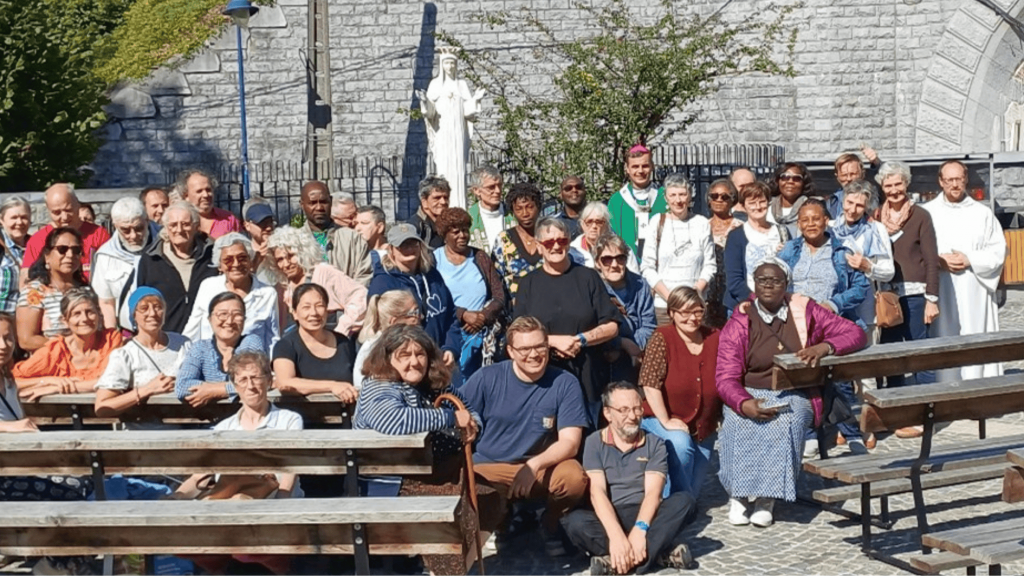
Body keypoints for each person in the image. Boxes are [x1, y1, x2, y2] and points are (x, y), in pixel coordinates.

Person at [716, 258, 865, 527]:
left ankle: (767, 499)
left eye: (775, 280)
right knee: (737, 422)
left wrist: (825, 347)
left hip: (796, 390)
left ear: (786, 284)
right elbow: (726, 377)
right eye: (762, 280)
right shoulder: (740, 321)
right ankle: (738, 495)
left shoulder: (806, 311)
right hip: (748, 389)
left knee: (786, 421)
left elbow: (855, 332)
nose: (768, 285)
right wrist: (744, 402)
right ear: (754, 283)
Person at [461, 316, 590, 556]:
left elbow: (570, 442)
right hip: (491, 465)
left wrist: (534, 465)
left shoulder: (564, 382)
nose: (533, 355)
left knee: (574, 479)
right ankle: (501, 523)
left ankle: (550, 524)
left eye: (540, 346)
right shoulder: (487, 377)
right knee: (468, 483)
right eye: (524, 349)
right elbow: (457, 410)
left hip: (541, 466)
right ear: (510, 351)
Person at [173, 350, 303, 576]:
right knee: (187, 534)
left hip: (271, 498)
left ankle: (280, 569)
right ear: (234, 385)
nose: (250, 386)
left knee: (236, 513)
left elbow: (290, 470)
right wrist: (176, 497)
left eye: (256, 378)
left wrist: (281, 505)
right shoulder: (223, 428)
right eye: (243, 380)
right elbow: (200, 476)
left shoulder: (289, 420)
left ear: (268, 381)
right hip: (229, 505)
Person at [561, 381, 695, 576]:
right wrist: (616, 536)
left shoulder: (655, 443)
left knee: (685, 502)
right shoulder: (594, 442)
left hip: (645, 515)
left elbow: (653, 494)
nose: (632, 416)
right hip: (610, 514)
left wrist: (640, 530)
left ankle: (618, 562)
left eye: (637, 409)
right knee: (574, 522)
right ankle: (658, 553)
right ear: (608, 413)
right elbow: (597, 492)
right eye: (623, 410)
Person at [778, 199, 869, 455]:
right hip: (797, 323)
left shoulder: (841, 251)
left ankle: (852, 433)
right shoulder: (789, 250)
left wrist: (834, 303)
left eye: (816, 219)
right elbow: (775, 279)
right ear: (798, 223)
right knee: (804, 379)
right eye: (804, 220)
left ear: (826, 220)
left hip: (831, 323)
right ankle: (810, 434)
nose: (810, 224)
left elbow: (860, 287)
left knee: (839, 381)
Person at [513, 217, 620, 424]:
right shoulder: (528, 283)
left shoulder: (588, 277)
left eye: (561, 241)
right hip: (543, 379)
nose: (556, 246)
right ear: (538, 246)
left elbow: (612, 325)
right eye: (549, 242)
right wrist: (553, 341)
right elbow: (517, 333)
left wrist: (580, 340)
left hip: (588, 378)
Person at [924, 160, 1006, 382]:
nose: (954, 184)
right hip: (942, 288)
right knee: (944, 336)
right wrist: (939, 260)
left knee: (974, 334)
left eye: (958, 179)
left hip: (974, 289)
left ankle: (977, 385)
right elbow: (917, 250)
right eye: (949, 180)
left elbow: (998, 251)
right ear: (941, 181)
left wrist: (970, 259)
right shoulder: (927, 212)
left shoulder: (982, 213)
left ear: (966, 179)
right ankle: (945, 385)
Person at [638, 286, 721, 500]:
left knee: (691, 494)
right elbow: (650, 384)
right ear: (672, 313)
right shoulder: (662, 337)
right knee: (680, 446)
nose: (692, 318)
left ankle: (680, 504)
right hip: (663, 418)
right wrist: (666, 420)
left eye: (698, 311)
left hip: (702, 427)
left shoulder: (714, 337)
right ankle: (665, 505)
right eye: (685, 312)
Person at [873, 162, 940, 407]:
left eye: (898, 184)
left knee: (920, 353)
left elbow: (931, 260)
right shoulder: (876, 216)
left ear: (906, 183)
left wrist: (932, 298)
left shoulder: (920, 216)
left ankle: (926, 409)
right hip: (887, 296)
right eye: (888, 185)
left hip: (915, 295)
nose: (893, 190)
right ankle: (896, 408)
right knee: (890, 355)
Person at [367, 222, 460, 366]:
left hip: (439, 360)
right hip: (407, 364)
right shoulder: (383, 283)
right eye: (402, 245)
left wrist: (451, 348)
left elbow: (450, 314)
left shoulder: (432, 275)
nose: (409, 249)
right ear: (391, 250)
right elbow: (380, 329)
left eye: (413, 243)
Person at [433, 207, 507, 378]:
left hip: (480, 337)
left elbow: (499, 295)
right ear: (444, 235)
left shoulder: (480, 257)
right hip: (449, 335)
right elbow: (434, 299)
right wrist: (463, 315)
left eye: (465, 230)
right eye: (456, 232)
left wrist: (482, 317)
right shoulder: (434, 260)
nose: (462, 236)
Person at [14, 288, 123, 401]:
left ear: (99, 315)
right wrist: (49, 381)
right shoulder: (56, 351)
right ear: (65, 321)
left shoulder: (111, 340)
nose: (84, 319)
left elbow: (110, 380)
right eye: (76, 314)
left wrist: (58, 388)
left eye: (90, 312)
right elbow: (12, 381)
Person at [94, 288, 186, 418]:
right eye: (144, 308)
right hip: (142, 424)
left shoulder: (183, 344)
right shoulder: (125, 354)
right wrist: (147, 390)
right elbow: (102, 407)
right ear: (134, 315)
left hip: (187, 422)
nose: (152, 313)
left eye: (158, 307)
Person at [640, 173, 716, 326]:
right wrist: (673, 300)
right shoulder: (656, 222)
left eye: (682, 194)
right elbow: (647, 267)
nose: (678, 200)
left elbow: (710, 265)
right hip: (664, 306)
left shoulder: (701, 223)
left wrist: (694, 295)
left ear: (690, 196)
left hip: (695, 306)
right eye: (673, 195)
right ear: (666, 198)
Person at [132, 202, 219, 333]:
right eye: (173, 225)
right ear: (166, 228)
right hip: (166, 337)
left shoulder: (212, 255)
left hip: (207, 335)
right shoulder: (151, 259)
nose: (179, 230)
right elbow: (141, 301)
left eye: (185, 224)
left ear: (196, 226)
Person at [262, 226, 367, 336]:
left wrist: (342, 329)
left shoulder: (323, 272)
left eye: (291, 256)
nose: (286, 264)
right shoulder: (285, 288)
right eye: (280, 259)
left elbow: (360, 295)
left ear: (303, 252)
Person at [183, 233, 279, 349]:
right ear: (219, 266)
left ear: (250, 261)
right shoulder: (208, 286)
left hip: (250, 358)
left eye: (242, 258)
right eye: (228, 260)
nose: (236, 264)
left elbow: (272, 338)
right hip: (209, 357)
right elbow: (192, 330)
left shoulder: (267, 294)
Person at [417, 48, 486, 210]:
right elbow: (430, 113)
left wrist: (476, 99)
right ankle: (446, 205)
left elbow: (468, 111)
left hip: (458, 133)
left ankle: (460, 206)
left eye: (452, 63)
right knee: (444, 166)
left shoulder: (461, 85)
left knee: (459, 168)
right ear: (442, 65)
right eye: (447, 63)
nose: (450, 66)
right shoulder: (435, 84)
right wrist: (424, 102)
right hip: (443, 132)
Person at [273, 284, 359, 403]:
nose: (314, 312)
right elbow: (285, 383)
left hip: (345, 412)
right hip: (301, 413)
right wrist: (332, 386)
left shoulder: (343, 343)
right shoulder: (285, 346)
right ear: (295, 313)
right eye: (306, 307)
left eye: (319, 306)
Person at [175, 292, 264, 406]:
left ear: (244, 319)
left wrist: (213, 390)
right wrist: (233, 388)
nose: (229, 321)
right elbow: (182, 386)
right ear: (210, 319)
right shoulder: (200, 348)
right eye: (223, 314)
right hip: (207, 416)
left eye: (237, 314)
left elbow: (255, 381)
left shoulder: (251, 342)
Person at [830, 179, 895, 334]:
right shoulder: (830, 228)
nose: (852, 210)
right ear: (843, 200)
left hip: (866, 312)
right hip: (833, 310)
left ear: (867, 207)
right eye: (849, 202)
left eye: (859, 205)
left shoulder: (876, 230)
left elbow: (889, 272)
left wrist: (867, 266)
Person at [21, 184, 110, 285]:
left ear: (78, 205)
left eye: (68, 210)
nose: (64, 217)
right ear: (48, 211)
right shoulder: (38, 239)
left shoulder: (98, 234)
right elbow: (26, 279)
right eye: (57, 212)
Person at [594, 234, 655, 381]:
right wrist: (620, 343)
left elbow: (649, 325)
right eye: (607, 259)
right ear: (597, 263)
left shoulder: (640, 285)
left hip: (634, 358)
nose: (614, 264)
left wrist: (631, 346)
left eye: (620, 258)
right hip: (601, 359)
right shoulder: (592, 286)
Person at [16, 227, 89, 351]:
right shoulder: (34, 292)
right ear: (47, 256)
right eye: (62, 249)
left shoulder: (86, 290)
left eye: (76, 250)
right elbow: (26, 340)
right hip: (51, 358)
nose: (70, 255)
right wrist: (69, 346)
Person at [724, 182, 790, 312]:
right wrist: (756, 301)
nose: (758, 207)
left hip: (778, 305)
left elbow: (791, 268)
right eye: (752, 203)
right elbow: (734, 280)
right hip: (746, 305)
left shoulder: (782, 232)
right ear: (744, 206)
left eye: (762, 202)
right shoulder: (736, 236)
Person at [92, 197, 156, 331]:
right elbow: (106, 302)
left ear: (147, 220)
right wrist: (112, 336)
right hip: (128, 332)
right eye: (126, 230)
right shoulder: (106, 256)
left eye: (139, 228)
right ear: (115, 226)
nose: (133, 236)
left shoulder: (165, 244)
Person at [299, 181, 373, 285]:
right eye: (312, 203)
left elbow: (364, 275)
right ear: (302, 205)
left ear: (331, 201)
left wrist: (349, 294)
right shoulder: (295, 242)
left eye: (324, 202)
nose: (319, 208)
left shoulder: (352, 239)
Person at [354, 290, 422, 389]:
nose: (419, 317)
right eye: (413, 313)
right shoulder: (373, 348)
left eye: (418, 312)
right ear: (394, 321)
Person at [608, 145, 666, 256]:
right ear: (627, 168)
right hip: (626, 260)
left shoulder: (665, 197)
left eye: (645, 166)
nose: (640, 171)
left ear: (652, 166)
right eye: (635, 166)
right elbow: (611, 235)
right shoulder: (617, 201)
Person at [491, 182, 546, 299]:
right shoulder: (504, 240)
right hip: (516, 306)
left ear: (539, 207)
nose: (525, 214)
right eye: (519, 209)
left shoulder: (550, 236)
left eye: (530, 207)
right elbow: (496, 279)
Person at [706, 179, 744, 328]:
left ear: (732, 200)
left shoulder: (741, 227)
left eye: (725, 196)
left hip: (731, 290)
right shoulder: (701, 226)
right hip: (708, 292)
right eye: (714, 196)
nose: (719, 200)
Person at [572, 202, 640, 273]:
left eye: (599, 222)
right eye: (589, 222)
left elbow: (634, 276)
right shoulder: (573, 250)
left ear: (607, 225)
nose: (594, 226)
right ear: (582, 224)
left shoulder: (622, 248)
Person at [177, 169, 241, 239]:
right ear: (186, 196)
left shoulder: (228, 219)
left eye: (208, 190)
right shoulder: (178, 220)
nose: (206, 195)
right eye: (199, 191)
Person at [467, 165, 513, 251]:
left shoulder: (513, 214)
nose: (498, 191)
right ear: (477, 190)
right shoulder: (468, 218)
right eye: (491, 187)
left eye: (499, 185)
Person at [826, 147, 881, 219]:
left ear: (862, 173)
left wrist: (876, 162)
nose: (849, 179)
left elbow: (885, 180)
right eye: (844, 175)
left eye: (853, 174)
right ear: (837, 177)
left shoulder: (872, 194)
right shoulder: (833, 201)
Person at [767, 162, 816, 238]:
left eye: (796, 179)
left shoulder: (812, 208)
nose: (790, 182)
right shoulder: (766, 208)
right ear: (777, 181)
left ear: (804, 183)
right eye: (785, 177)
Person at [0, 197, 30, 314]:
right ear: (1, 220)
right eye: (14, 218)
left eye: (24, 217)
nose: (19, 222)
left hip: (26, 319)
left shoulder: (36, 246)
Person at [407, 175, 450, 249]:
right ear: (424, 202)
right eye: (437, 198)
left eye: (446, 198)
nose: (443, 202)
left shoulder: (449, 224)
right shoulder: (414, 227)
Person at [241, 200, 276, 272]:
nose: (269, 228)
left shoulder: (282, 249)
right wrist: (257, 261)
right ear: (247, 226)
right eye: (262, 223)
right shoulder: (242, 253)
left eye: (270, 222)